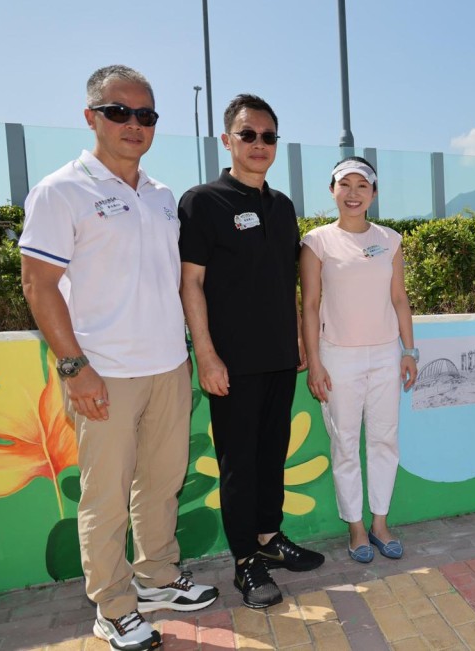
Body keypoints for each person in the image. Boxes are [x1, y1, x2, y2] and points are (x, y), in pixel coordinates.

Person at [20, 65, 217, 651]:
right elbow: (38, 284)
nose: (134, 124)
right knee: (105, 498)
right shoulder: (62, 190)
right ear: (91, 117)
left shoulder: (159, 197)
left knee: (161, 482)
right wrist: (74, 367)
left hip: (167, 367)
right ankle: (112, 605)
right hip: (102, 372)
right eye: (119, 112)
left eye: (146, 115)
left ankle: (157, 577)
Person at [179, 94, 323, 610]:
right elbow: (190, 284)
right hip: (232, 364)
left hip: (281, 357)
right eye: (248, 134)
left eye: (268, 136)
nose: (259, 144)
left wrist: (299, 343)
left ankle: (270, 538)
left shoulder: (283, 207)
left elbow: (287, 284)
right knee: (238, 464)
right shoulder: (202, 202)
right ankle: (245, 560)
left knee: (270, 457)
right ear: (227, 140)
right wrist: (207, 356)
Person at [299, 156, 417, 563]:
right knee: (345, 444)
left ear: (374, 193)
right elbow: (310, 305)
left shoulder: (390, 239)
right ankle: (355, 530)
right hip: (337, 358)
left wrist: (409, 350)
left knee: (385, 440)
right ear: (332, 191)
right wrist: (315, 362)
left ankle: (380, 524)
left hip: (386, 354)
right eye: (344, 185)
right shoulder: (316, 242)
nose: (353, 194)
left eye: (361, 186)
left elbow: (399, 298)